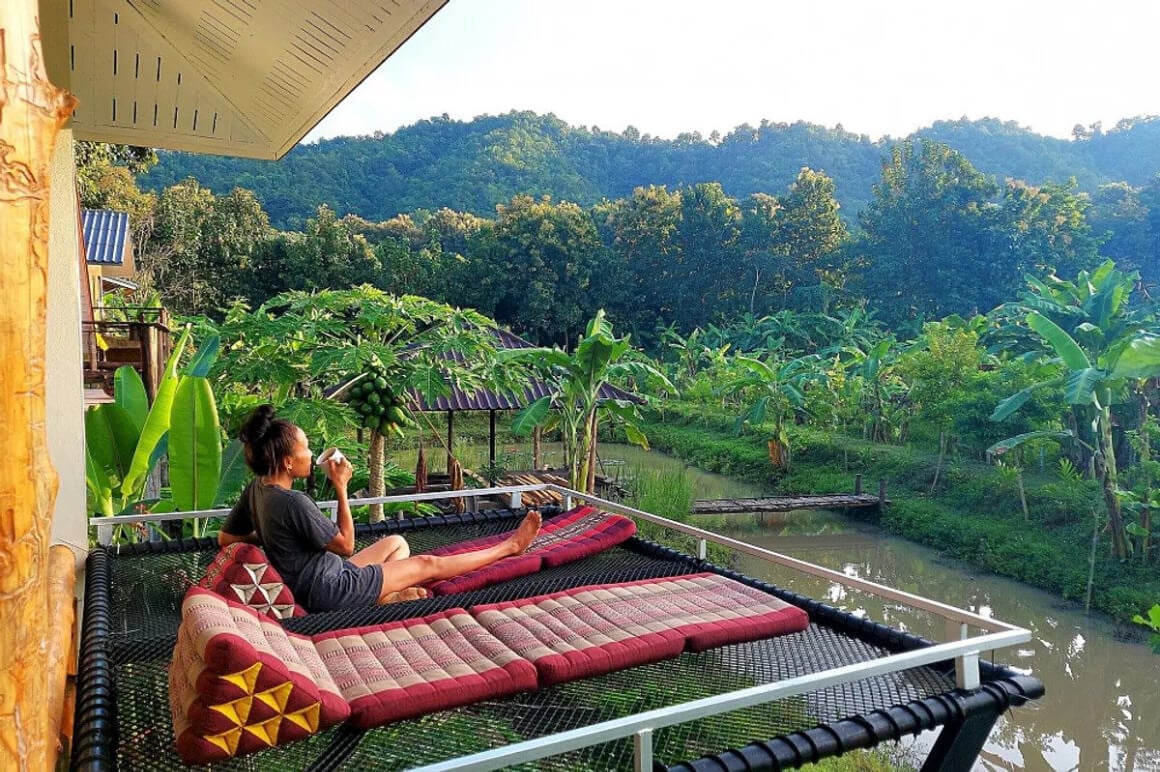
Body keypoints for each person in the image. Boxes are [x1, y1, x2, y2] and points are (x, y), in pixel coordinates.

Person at [218, 404, 542, 612]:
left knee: (396, 543)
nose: (310, 452)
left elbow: (225, 538)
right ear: (288, 462)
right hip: (328, 591)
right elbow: (346, 545)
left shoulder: (257, 490)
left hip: (324, 575)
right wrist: (342, 487)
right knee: (427, 563)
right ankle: (510, 546)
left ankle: (385, 595)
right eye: (305, 448)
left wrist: (272, 541)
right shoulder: (292, 501)